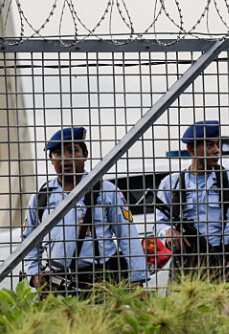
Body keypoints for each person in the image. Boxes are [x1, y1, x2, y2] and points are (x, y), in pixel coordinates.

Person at [22, 126, 149, 294]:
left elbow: (127, 235)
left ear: (85, 154)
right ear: (51, 159)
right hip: (58, 283)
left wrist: (137, 278)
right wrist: (34, 274)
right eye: (57, 153)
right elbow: (29, 243)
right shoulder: (40, 198)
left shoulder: (106, 191)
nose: (66, 158)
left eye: (72, 150)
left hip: (102, 280)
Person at [155, 120, 229, 283]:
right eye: (210, 145)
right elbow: (158, 223)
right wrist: (168, 232)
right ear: (191, 149)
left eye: (218, 145)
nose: (217, 150)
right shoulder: (171, 183)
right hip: (185, 263)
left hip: (221, 258)